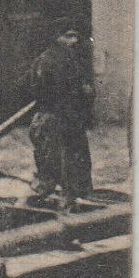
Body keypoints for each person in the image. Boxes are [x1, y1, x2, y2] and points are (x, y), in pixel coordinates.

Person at [26, 21, 95, 206]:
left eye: (75, 36)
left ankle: (71, 199)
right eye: (68, 36)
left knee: (72, 164)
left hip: (66, 118)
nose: (73, 41)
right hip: (55, 118)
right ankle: (53, 201)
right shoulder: (51, 61)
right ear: (57, 37)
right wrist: (83, 92)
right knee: (54, 165)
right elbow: (53, 91)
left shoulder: (68, 60)